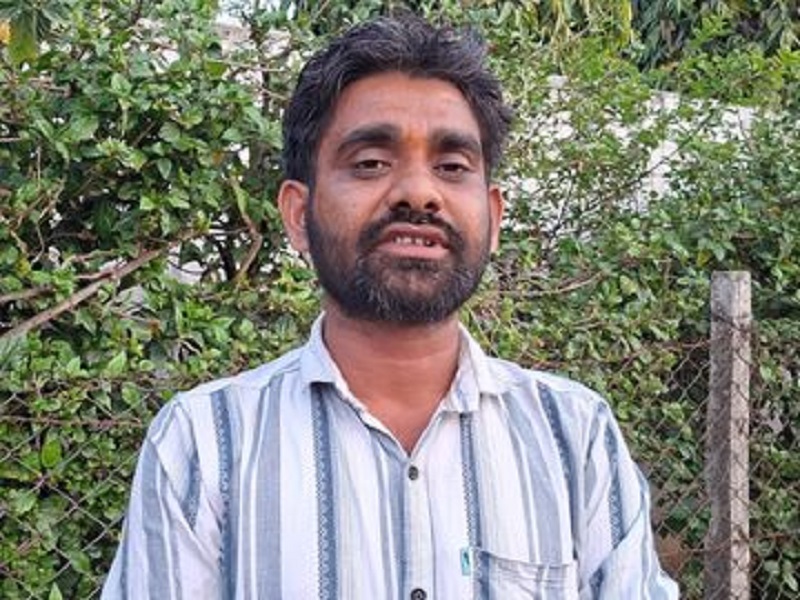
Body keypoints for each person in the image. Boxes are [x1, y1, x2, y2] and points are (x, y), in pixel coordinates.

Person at [103, 14, 679, 599]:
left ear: (493, 216)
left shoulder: (574, 437)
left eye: (451, 167)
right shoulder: (203, 445)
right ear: (299, 215)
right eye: (371, 163)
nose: (419, 193)